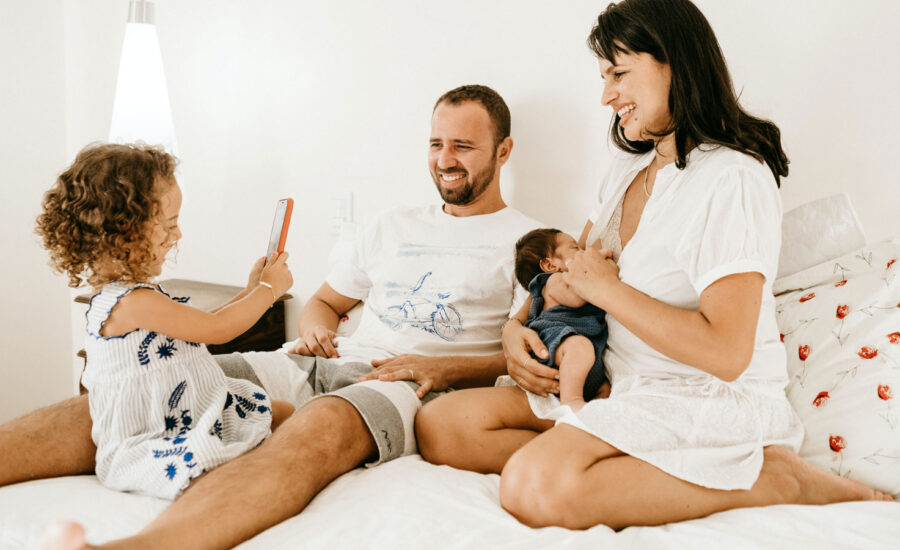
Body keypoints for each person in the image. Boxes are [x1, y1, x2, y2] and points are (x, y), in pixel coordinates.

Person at [416, 0, 892, 530]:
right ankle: (615, 453)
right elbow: (572, 272)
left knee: (533, 485)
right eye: (603, 76)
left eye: (619, 73)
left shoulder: (731, 177)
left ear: (675, 63)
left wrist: (611, 293)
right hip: (617, 382)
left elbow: (727, 352)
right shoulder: (628, 166)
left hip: (702, 395)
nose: (606, 95)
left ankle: (778, 479)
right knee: (442, 425)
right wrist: (513, 327)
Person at [15, 84, 541, 549]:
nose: (445, 159)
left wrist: (445, 370)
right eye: (436, 143)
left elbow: (528, 357)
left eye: (463, 147)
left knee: (318, 426)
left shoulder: (531, 242)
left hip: (405, 384)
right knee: (158, 381)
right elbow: (326, 304)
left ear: (504, 151)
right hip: (320, 359)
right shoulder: (392, 224)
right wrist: (315, 331)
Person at [34, 143, 295, 500]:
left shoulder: (134, 295)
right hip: (156, 433)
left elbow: (202, 323)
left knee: (280, 412)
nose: (178, 236)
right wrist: (268, 290)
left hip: (191, 411)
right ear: (124, 232)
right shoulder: (131, 303)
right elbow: (218, 331)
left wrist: (252, 290)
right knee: (211, 458)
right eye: (169, 226)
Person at [512, 228, 607, 411]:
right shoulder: (554, 281)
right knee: (579, 347)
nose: (583, 252)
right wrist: (598, 260)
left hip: (583, 355)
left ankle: (592, 409)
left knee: (604, 387)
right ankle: (571, 401)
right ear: (549, 265)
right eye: (575, 248)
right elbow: (578, 297)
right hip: (553, 340)